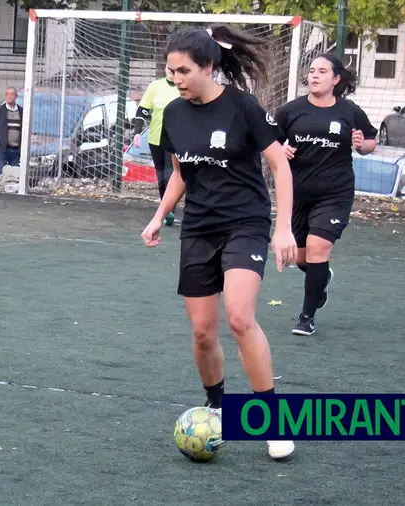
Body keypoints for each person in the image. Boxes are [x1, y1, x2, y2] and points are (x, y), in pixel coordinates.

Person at [140, 26, 298, 460]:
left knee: (240, 318)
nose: (176, 79)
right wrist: (158, 217)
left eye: (184, 70)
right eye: (171, 72)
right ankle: (217, 408)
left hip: (245, 223)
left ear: (208, 66)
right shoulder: (173, 113)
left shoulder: (242, 107)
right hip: (198, 228)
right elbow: (180, 174)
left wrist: (283, 228)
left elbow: (280, 169)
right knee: (202, 332)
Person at [273, 53, 377, 336]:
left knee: (319, 248)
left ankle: (306, 317)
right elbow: (269, 142)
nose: (315, 76)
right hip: (296, 195)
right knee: (301, 258)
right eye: (312, 71)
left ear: (336, 79)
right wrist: (280, 149)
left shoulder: (349, 111)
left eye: (322, 71)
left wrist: (361, 144)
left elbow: (370, 140)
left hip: (335, 194)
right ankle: (322, 277)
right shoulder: (291, 110)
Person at [132, 66, 180, 226]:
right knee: (160, 178)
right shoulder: (155, 87)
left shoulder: (184, 87)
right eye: (168, 67)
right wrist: (137, 132)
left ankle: (169, 210)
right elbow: (143, 110)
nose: (170, 71)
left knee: (170, 175)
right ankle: (165, 208)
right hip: (155, 139)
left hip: (176, 140)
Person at [0, 87, 22, 179]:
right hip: (3, 150)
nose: (9, 96)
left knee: (14, 177)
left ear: (16, 96)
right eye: (7, 94)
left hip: (16, 151)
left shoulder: (21, 111)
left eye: (12, 94)